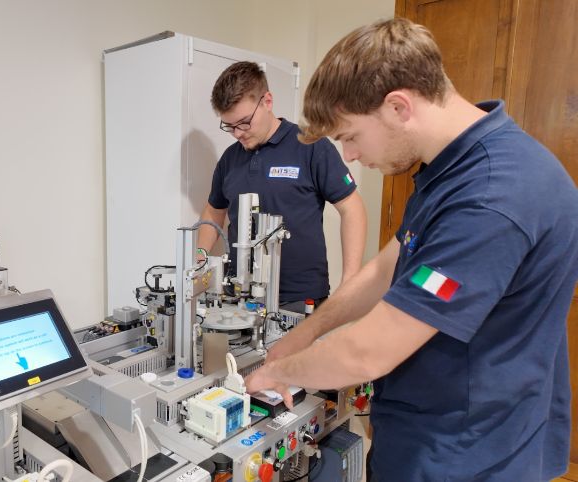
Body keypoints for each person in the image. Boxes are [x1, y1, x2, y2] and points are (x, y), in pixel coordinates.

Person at [244, 17, 578, 481]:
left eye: (350, 136)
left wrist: (276, 374)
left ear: (398, 106)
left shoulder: (491, 197)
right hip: (427, 430)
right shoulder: (452, 170)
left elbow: (367, 353)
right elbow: (387, 268)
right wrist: (307, 332)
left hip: (468, 454)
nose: (350, 156)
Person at [197, 61, 366, 312]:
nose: (238, 133)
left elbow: (351, 207)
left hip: (299, 299)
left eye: (244, 122)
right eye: (229, 126)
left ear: (267, 101)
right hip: (240, 296)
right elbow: (214, 210)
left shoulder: (310, 146)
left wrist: (350, 280)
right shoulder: (230, 159)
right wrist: (200, 258)